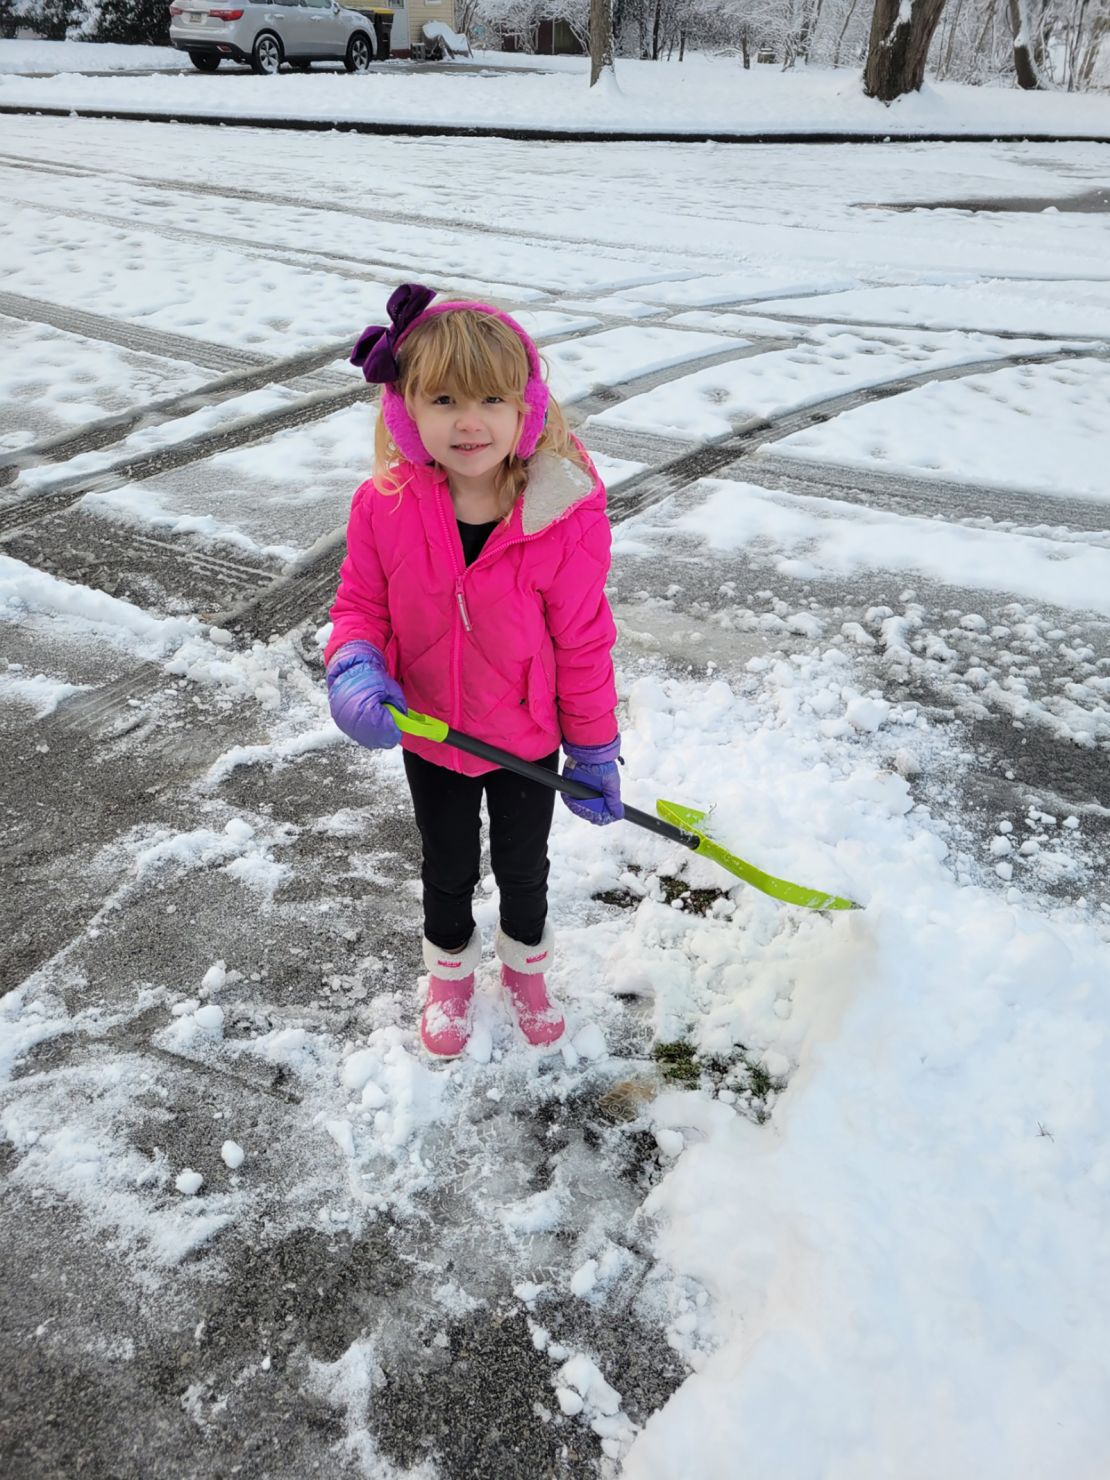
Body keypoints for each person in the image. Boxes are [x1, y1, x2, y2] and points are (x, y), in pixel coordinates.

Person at [325, 284, 622, 1058]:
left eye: (492, 398)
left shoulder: (561, 516)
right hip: (433, 734)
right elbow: (361, 605)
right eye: (445, 398)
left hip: (526, 738)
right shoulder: (383, 505)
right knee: (447, 865)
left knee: (525, 869)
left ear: (524, 407)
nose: (469, 420)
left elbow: (585, 642)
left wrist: (592, 748)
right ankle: (450, 976)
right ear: (405, 412)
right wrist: (355, 664)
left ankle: (526, 970)